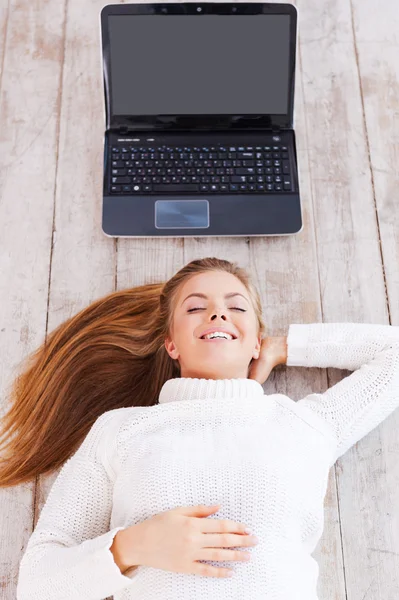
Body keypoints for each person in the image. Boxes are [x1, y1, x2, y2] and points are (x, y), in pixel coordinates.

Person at [0, 257, 397, 600]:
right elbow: (37, 583)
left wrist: (285, 346)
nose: (218, 314)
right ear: (171, 344)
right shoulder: (121, 430)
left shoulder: (304, 425)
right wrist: (133, 545)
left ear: (255, 341)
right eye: (195, 308)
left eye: (236, 307)